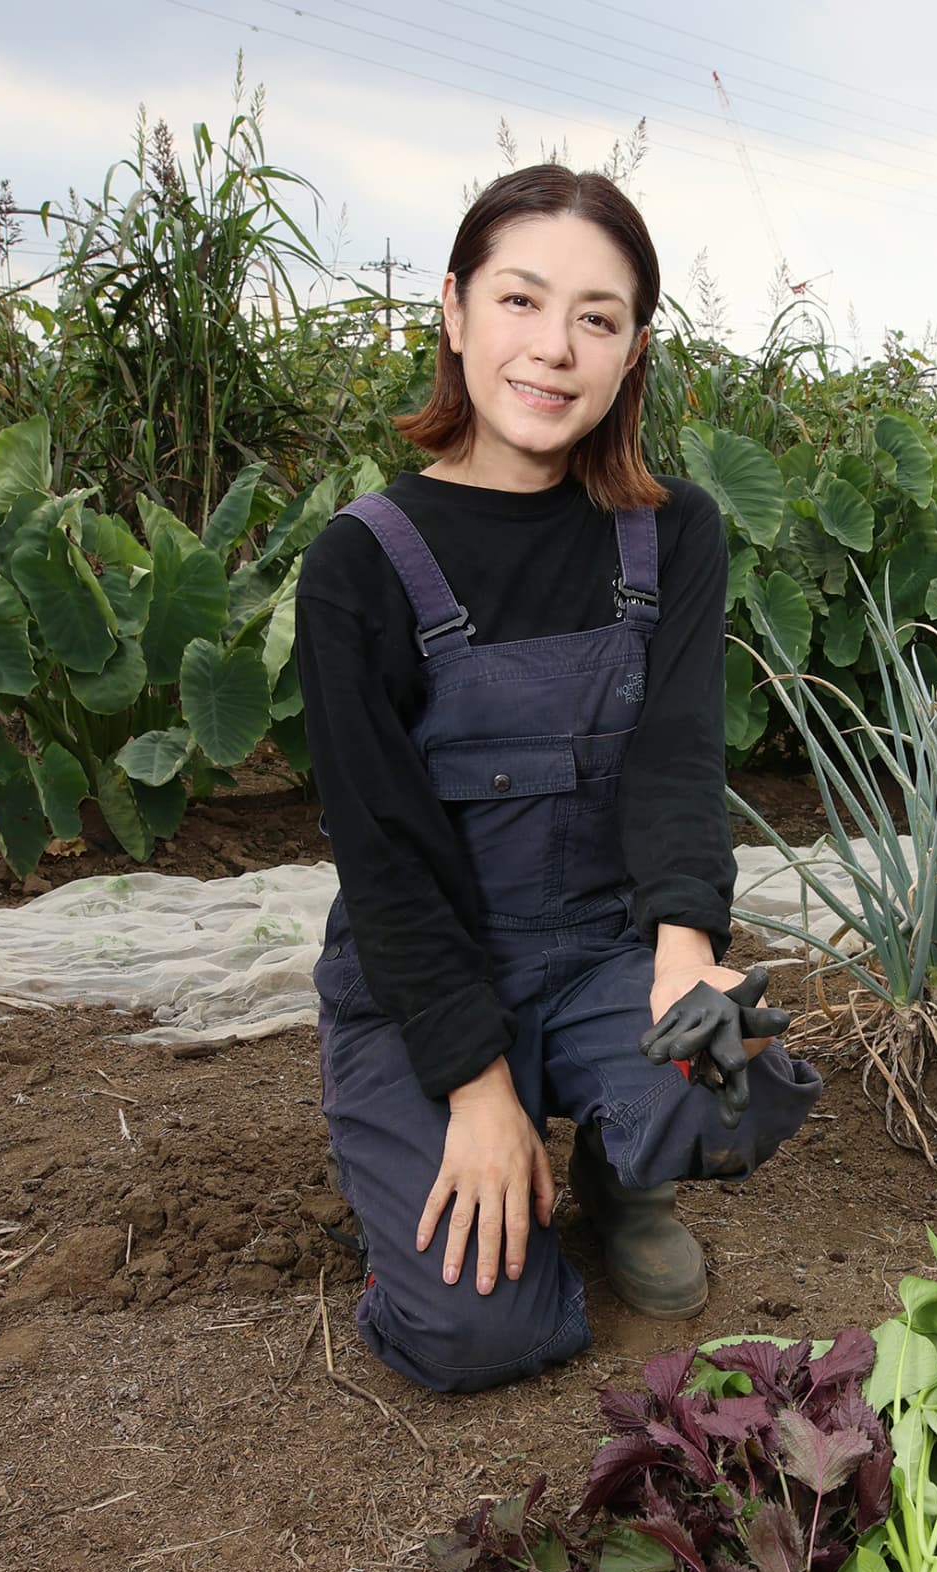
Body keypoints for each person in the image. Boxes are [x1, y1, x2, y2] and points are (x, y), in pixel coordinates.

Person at [294, 164, 821, 1396]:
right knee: (480, 1333)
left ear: (633, 347)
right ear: (453, 309)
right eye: (521, 301)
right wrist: (477, 1087)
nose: (554, 347)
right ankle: (427, 1151)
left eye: (596, 316)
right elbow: (382, 853)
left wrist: (684, 954)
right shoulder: (363, 560)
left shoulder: (670, 528)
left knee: (732, 1081)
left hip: (596, 953)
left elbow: (677, 753)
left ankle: (613, 1162)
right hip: (424, 976)